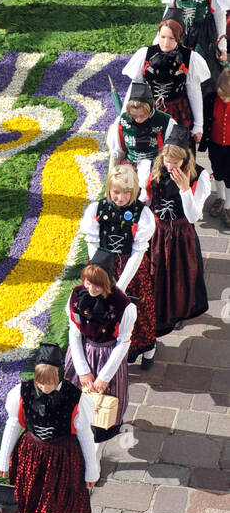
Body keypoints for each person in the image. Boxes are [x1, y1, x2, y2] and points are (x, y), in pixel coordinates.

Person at [0, 343, 98, 513]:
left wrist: (92, 469)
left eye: (50, 382)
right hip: (30, 457)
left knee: (54, 505)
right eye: (41, 382)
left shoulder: (74, 398)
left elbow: (84, 434)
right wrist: (3, 459)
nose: (45, 387)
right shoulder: (21, 393)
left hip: (62, 459)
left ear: (60, 375)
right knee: (27, 500)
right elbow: (14, 424)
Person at [78, 164, 157, 367]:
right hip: (104, 266)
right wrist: (99, 274)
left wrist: (119, 286)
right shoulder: (97, 208)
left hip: (131, 269)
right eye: (116, 192)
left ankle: (148, 350)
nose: (120, 198)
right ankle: (111, 352)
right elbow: (93, 243)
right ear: (109, 189)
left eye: (126, 193)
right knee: (104, 312)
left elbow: (139, 251)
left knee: (138, 309)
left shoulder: (142, 213)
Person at [63, 253, 137, 455]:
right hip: (82, 354)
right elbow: (75, 333)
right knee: (74, 404)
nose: (90, 288)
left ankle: (94, 459)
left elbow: (123, 342)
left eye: (97, 284)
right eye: (87, 281)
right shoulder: (77, 296)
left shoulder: (124, 306)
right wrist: (83, 371)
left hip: (107, 356)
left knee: (101, 412)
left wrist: (104, 377)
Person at [140, 133, 210, 340]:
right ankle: (158, 309)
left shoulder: (200, 176)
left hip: (181, 234)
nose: (170, 167)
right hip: (157, 231)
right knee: (156, 271)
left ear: (186, 159)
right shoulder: (154, 168)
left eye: (175, 163)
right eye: (167, 162)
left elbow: (192, 216)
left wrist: (185, 189)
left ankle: (178, 311)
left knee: (178, 275)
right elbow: (146, 199)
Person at [121, 14, 210, 143]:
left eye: (171, 38)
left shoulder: (190, 57)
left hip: (178, 111)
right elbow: (135, 86)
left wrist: (198, 125)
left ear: (178, 38)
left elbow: (194, 91)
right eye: (162, 37)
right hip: (148, 111)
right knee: (152, 151)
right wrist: (123, 114)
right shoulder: (145, 54)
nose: (166, 42)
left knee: (176, 155)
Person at [107, 80, 171, 171]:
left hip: (157, 169)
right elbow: (117, 153)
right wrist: (112, 176)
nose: (138, 120)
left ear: (150, 109)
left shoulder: (166, 121)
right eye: (134, 116)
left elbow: (172, 153)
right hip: (130, 170)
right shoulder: (122, 121)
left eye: (142, 115)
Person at [207, 66, 230, 227]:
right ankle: (220, 198)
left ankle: (228, 206)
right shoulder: (211, 99)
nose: (223, 99)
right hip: (215, 144)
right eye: (221, 94)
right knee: (218, 170)